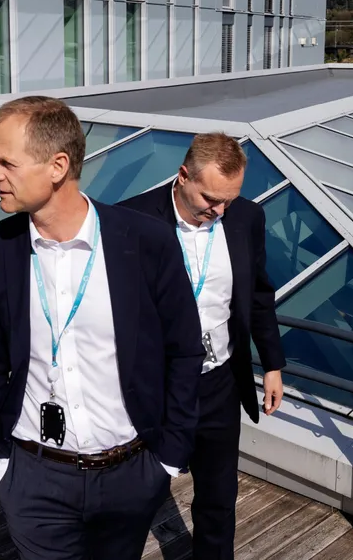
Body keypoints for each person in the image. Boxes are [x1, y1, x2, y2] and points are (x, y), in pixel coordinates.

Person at [0, 96, 204, 560]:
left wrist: (168, 459)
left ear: (57, 166)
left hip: (131, 475)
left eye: (6, 163)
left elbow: (184, 351)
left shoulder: (145, 241)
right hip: (32, 478)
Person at [119, 132, 286, 560]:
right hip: (156, 387)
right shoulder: (131, 220)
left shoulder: (246, 218)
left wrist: (272, 365)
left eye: (229, 200)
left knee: (218, 497)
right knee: (134, 497)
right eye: (211, 199)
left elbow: (258, 294)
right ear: (182, 176)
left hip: (219, 384)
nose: (220, 211)